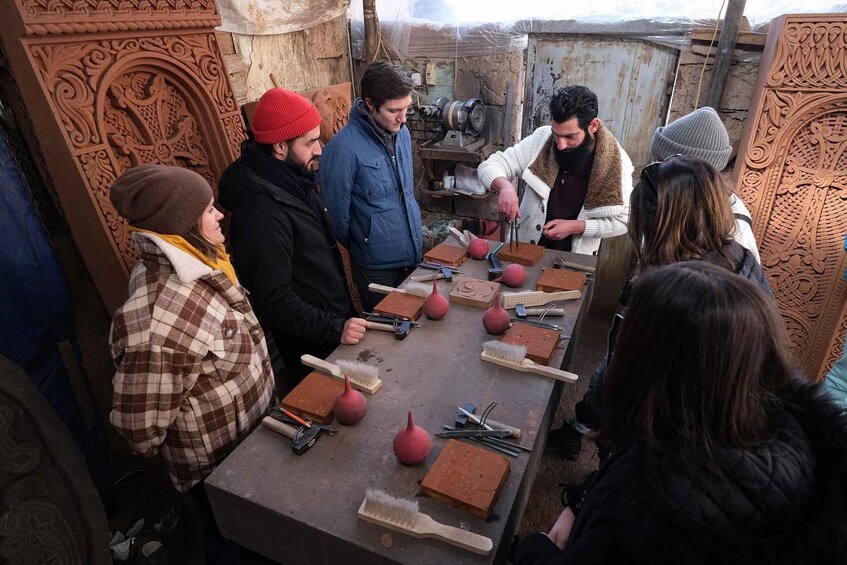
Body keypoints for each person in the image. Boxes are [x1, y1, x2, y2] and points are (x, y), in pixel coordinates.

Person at [519, 262, 847, 564]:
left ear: (644, 363)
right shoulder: (797, 440)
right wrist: (582, 500)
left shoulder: (637, 509)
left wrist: (534, 550)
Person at [547, 155, 771, 461]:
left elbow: (628, 387)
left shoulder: (672, 296)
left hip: (683, 448)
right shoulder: (738, 256)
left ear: (663, 227)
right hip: (739, 430)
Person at [109, 164, 275, 561]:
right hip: (220, 472)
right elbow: (140, 429)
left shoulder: (204, 265)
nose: (219, 215)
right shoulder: (157, 317)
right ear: (181, 223)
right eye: (207, 209)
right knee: (236, 547)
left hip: (253, 447)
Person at [218, 87, 367, 391]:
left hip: (333, 331)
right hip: (312, 347)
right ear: (280, 147)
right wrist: (334, 327)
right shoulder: (261, 211)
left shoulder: (292, 179)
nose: (320, 149)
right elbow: (273, 299)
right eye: (311, 142)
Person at [477, 85, 633, 254]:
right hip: (524, 251)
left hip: (575, 262)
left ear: (593, 126)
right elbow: (490, 165)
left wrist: (576, 227)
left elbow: (625, 221)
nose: (560, 145)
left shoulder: (616, 162)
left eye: (570, 136)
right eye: (556, 134)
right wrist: (505, 187)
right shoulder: (541, 140)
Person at [320, 60, 423, 311]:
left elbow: (405, 191)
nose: (403, 118)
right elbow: (336, 219)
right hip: (377, 268)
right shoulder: (342, 151)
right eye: (394, 110)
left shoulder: (402, 133)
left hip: (413, 252)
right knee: (385, 337)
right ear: (370, 105)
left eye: (406, 109)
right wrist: (369, 239)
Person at [651, 105, 761, 262]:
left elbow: (741, 282)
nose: (657, 170)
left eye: (664, 163)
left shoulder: (734, 227)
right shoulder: (672, 200)